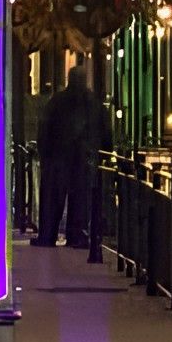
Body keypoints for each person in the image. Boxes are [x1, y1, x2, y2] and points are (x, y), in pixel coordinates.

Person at [35, 62, 105, 248]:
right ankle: (76, 236)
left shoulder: (58, 102)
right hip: (80, 160)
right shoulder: (92, 103)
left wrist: (45, 154)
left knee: (54, 200)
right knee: (79, 201)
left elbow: (44, 130)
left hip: (60, 159)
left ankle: (49, 235)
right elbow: (104, 132)